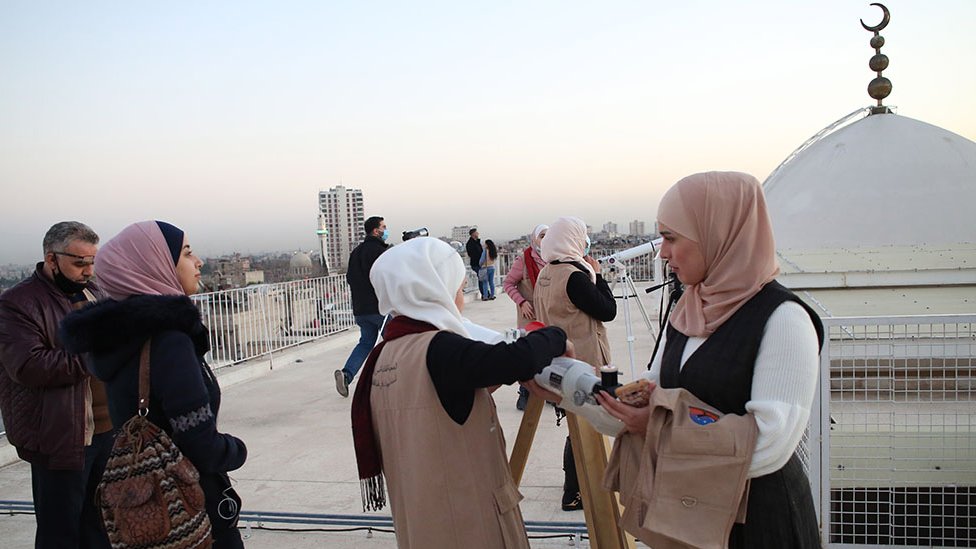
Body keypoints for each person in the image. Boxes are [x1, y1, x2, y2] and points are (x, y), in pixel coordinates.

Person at [596, 171, 823, 548]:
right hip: (692, 516)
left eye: (670, 238)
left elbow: (771, 442)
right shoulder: (688, 309)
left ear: (717, 235)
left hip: (758, 524)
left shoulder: (783, 319)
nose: (662, 253)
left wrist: (655, 431)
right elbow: (654, 393)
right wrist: (582, 387)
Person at [351, 237, 570, 548]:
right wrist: (556, 335)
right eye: (457, 285)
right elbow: (516, 359)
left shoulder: (385, 354)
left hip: (422, 520)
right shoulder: (440, 348)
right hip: (466, 521)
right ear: (435, 287)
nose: (461, 295)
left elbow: (438, 403)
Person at [60, 221, 248, 549]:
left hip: (145, 507)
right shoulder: (169, 341)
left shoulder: (117, 338)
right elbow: (199, 442)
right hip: (189, 504)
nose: (199, 261)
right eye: (187, 254)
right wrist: (235, 450)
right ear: (155, 264)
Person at [0, 221, 113, 549]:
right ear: (52, 259)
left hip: (107, 433)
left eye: (92, 261)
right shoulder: (18, 303)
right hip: (62, 436)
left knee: (100, 528)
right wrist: (98, 354)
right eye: (80, 263)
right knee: (60, 533)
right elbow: (29, 366)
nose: (88, 270)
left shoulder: (94, 291)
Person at [532, 216, 616, 512]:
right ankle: (574, 491)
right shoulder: (575, 276)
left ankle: (579, 485)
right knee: (585, 425)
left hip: (558, 362)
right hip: (584, 361)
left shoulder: (546, 273)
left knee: (576, 425)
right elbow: (607, 310)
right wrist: (598, 274)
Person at [334, 215, 390, 397]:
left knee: (366, 343)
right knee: (395, 343)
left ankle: (347, 374)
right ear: (376, 231)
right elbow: (387, 277)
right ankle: (390, 380)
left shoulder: (356, 252)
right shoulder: (380, 252)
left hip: (361, 309)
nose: (385, 230)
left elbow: (351, 278)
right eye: (383, 227)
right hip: (379, 307)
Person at [503, 223, 548, 410]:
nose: (546, 240)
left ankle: (549, 391)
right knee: (530, 353)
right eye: (542, 235)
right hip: (529, 314)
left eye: (549, 236)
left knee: (550, 352)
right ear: (534, 238)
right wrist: (522, 302)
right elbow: (508, 284)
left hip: (548, 313)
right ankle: (525, 392)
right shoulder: (524, 259)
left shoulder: (554, 258)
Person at [465, 227, 483, 298]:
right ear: (473, 234)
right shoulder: (470, 244)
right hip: (476, 263)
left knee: (482, 278)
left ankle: (484, 293)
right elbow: (471, 254)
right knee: (481, 277)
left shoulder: (477, 242)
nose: (478, 233)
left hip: (480, 263)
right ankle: (484, 294)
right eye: (476, 232)